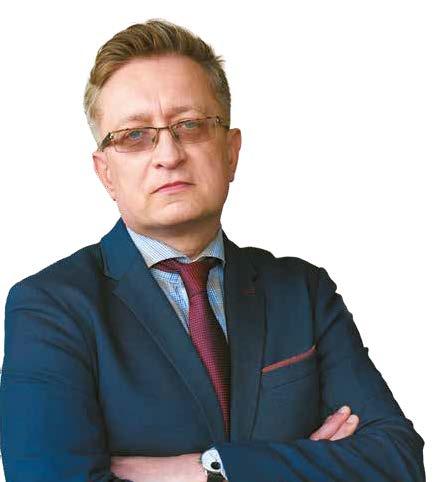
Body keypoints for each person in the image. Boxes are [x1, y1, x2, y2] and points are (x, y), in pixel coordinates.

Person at [0, 18, 425, 482]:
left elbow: (398, 461)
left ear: (231, 152)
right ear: (105, 173)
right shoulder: (51, 307)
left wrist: (213, 470)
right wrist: (307, 463)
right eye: (134, 135)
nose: (169, 155)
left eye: (190, 125)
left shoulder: (302, 291)